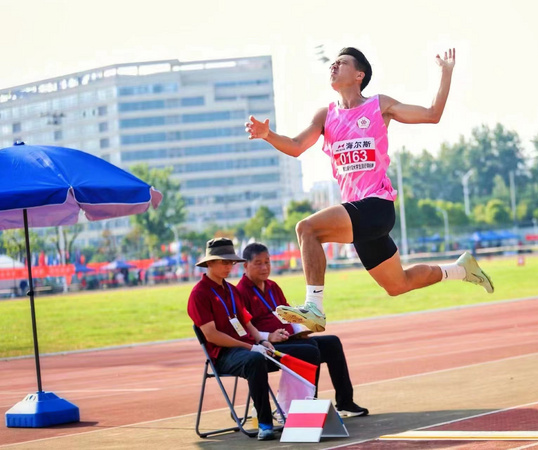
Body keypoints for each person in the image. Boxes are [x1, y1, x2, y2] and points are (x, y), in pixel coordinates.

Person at [245, 47, 494, 332]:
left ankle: (314, 307)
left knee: (306, 229)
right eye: (333, 63)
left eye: (342, 63)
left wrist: (445, 73)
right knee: (398, 285)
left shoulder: (379, 105)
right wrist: (268, 135)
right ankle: (462, 269)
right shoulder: (326, 115)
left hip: (376, 206)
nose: (334, 66)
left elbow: (432, 114)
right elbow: (296, 146)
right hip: (357, 215)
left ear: (359, 75)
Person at [187, 237, 319, 441]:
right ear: (209, 263)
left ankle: (298, 411)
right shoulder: (199, 294)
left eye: (231, 262)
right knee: (255, 360)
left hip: (248, 347)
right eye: (224, 261)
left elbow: (246, 323)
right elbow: (211, 335)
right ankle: (265, 423)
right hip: (224, 354)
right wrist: (250, 347)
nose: (229, 266)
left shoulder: (230, 290)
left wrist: (262, 341)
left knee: (308, 351)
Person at [237, 242, 369, 417]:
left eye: (267, 262)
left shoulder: (272, 287)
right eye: (258, 263)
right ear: (245, 265)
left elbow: (288, 315)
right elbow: (244, 330)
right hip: (265, 347)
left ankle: (345, 402)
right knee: (309, 350)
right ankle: (305, 408)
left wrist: (301, 329)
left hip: (289, 339)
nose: (264, 267)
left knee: (332, 343)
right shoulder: (239, 292)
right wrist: (269, 336)